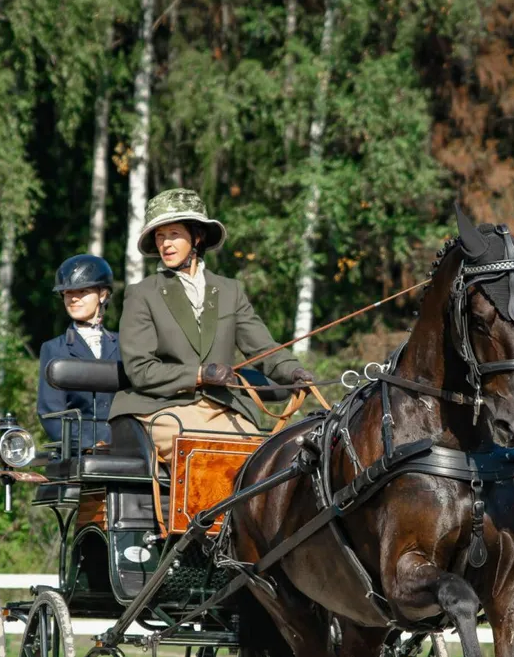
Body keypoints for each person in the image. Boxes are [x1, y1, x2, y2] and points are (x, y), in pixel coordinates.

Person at [109, 188, 314, 461]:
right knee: (213, 451)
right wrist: (199, 374)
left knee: (267, 459)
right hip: (161, 408)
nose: (166, 244)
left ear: (197, 236)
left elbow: (263, 348)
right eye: (160, 236)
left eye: (174, 234)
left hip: (224, 406)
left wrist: (294, 372)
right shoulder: (142, 294)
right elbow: (141, 370)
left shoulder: (230, 291)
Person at [38, 254, 119, 450]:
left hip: (126, 448)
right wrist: (87, 445)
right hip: (77, 454)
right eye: (67, 293)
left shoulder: (125, 344)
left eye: (82, 291)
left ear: (102, 294)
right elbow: (51, 411)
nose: (73, 298)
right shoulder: (54, 348)